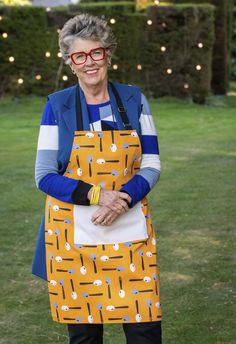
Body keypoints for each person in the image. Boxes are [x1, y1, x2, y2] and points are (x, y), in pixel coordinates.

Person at [32, 13, 162, 344]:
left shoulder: (135, 100)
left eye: (96, 53)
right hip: (74, 239)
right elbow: (44, 175)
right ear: (70, 62)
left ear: (107, 54)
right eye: (79, 56)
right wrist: (98, 196)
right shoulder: (57, 106)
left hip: (130, 235)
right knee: (85, 337)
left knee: (144, 328)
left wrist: (122, 200)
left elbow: (150, 163)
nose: (89, 62)